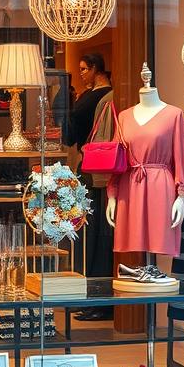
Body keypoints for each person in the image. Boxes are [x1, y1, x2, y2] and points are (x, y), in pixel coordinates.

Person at [68, 53, 114, 320]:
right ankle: (91, 297)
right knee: (88, 237)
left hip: (98, 171)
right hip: (90, 168)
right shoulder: (92, 96)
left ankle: (99, 301)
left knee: (97, 237)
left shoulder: (105, 98)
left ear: (97, 68)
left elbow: (74, 125)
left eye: (84, 69)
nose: (81, 73)